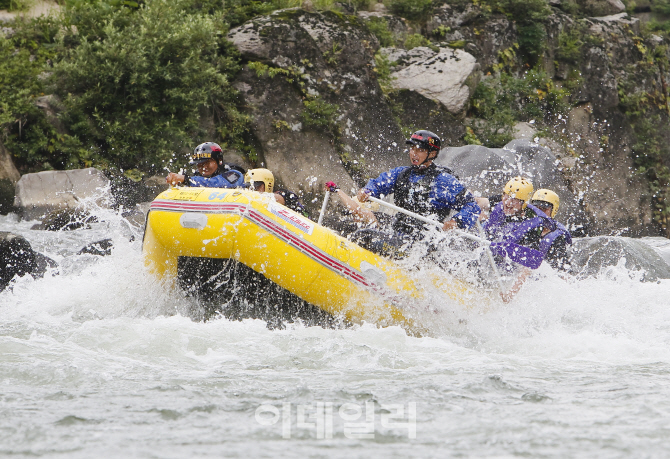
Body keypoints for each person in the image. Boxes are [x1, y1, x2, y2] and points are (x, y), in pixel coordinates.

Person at [355, 130, 480, 255]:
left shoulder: (443, 180)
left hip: (421, 242)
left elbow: (472, 206)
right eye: (412, 149)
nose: (414, 153)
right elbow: (378, 184)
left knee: (365, 235)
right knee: (355, 223)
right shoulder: (402, 173)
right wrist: (367, 191)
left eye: (420, 150)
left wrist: (456, 221)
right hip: (399, 227)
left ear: (432, 154)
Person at [166, 142, 245, 188]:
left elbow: (216, 183)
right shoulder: (197, 178)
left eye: (207, 162)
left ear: (219, 161)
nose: (204, 167)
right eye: (199, 164)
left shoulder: (234, 175)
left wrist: (186, 180)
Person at [529, 189, 572, 271]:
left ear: (553, 210)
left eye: (543, 209)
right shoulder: (527, 229)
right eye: (535, 208)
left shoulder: (557, 238)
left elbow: (561, 270)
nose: (539, 213)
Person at [244, 168, 309, 218]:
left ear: (267, 185)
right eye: (248, 187)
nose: (252, 190)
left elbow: (277, 198)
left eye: (256, 187)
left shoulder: (284, 194)